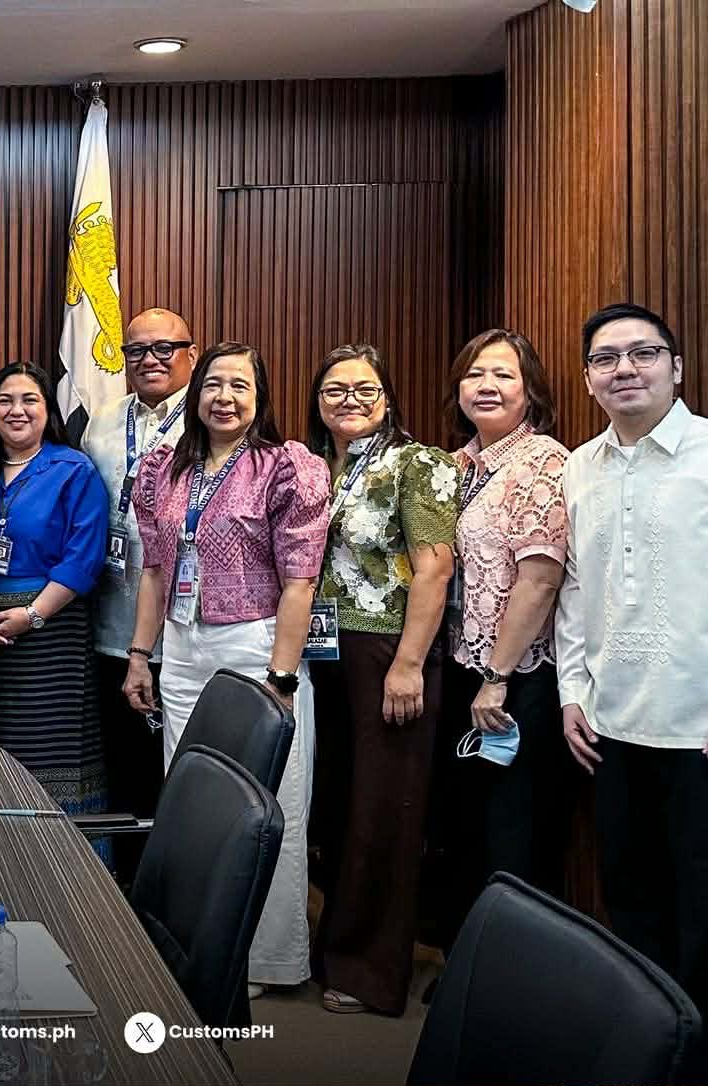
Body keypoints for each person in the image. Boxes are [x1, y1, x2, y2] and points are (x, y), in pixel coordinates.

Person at [556, 303, 708, 1082]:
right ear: (589, 379)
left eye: (643, 353)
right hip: (612, 730)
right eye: (606, 358)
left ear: (677, 367)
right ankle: (647, 1064)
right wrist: (572, 691)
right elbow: (575, 589)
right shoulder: (579, 467)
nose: (624, 369)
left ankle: (706, 1074)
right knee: (632, 916)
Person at [123, 341, 329, 994]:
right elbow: (154, 572)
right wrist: (140, 656)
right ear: (195, 393)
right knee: (193, 804)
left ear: (259, 397)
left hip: (257, 647)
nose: (224, 397)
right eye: (213, 384)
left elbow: (300, 582)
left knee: (268, 808)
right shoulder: (165, 468)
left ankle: (266, 959)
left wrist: (283, 677)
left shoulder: (284, 466)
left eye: (240, 385)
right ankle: (193, 946)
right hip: (183, 651)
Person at [300, 345, 457, 1016]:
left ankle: (370, 970)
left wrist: (409, 663)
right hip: (326, 651)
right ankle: (332, 944)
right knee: (336, 807)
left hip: (390, 650)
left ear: (388, 398)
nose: (350, 400)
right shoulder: (317, 467)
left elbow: (435, 568)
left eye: (365, 389)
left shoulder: (417, 464)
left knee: (382, 813)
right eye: (335, 390)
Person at [438, 328, 572, 920]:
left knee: (512, 834)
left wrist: (497, 678)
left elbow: (539, 581)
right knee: (466, 828)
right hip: (462, 668)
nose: (486, 386)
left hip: (515, 679)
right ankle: (468, 957)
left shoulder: (543, 462)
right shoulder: (457, 465)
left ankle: (512, 966)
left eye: (503, 375)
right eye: (474, 375)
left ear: (530, 391)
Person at [0, 363, 110, 839]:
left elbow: (83, 557)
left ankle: (58, 858)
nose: (17, 410)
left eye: (30, 400)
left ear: (48, 410)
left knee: (50, 749)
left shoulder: (74, 469)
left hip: (52, 635)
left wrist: (31, 615)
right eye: (5, 400)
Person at [78, 307, 193, 859]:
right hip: (110, 623)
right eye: (136, 350)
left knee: (179, 768)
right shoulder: (102, 420)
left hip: (185, 630)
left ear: (191, 354)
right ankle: (125, 880)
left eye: (164, 348)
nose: (150, 360)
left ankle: (177, 877)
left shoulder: (210, 417)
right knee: (123, 762)